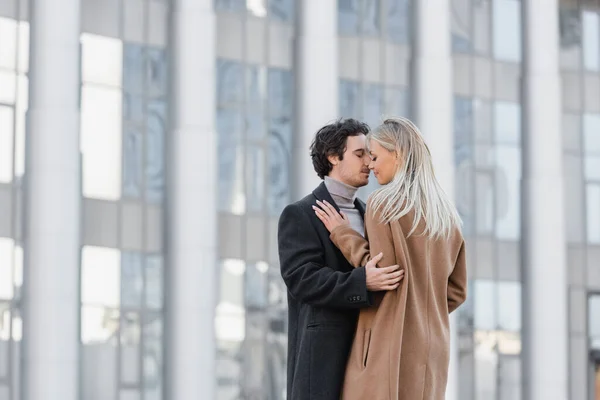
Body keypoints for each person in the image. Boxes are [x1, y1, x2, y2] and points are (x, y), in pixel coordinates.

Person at [314, 117, 468, 400]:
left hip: (388, 344)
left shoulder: (384, 203)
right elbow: (457, 292)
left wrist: (341, 233)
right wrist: (423, 308)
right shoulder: (448, 216)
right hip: (433, 349)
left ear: (396, 153)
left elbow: (381, 271)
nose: (370, 165)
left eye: (374, 156)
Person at [278, 118, 404, 400]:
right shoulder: (299, 213)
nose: (369, 163)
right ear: (333, 157)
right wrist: (362, 282)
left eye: (371, 155)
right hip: (324, 357)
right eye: (360, 154)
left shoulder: (373, 213)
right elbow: (302, 279)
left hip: (370, 354)